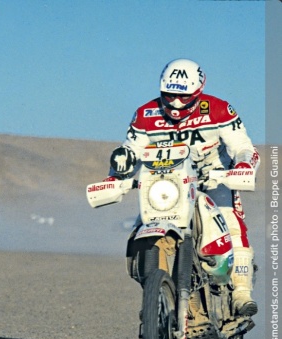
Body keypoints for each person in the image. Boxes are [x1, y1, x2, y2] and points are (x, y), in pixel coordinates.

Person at [108, 58, 260, 316]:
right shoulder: (145, 115)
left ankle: (241, 294)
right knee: (139, 231)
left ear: (198, 92)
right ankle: (158, 294)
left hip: (214, 180)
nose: (176, 104)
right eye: (169, 95)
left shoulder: (220, 109)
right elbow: (129, 153)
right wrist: (114, 178)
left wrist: (243, 165)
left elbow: (243, 147)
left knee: (231, 223)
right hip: (168, 187)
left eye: (184, 97)